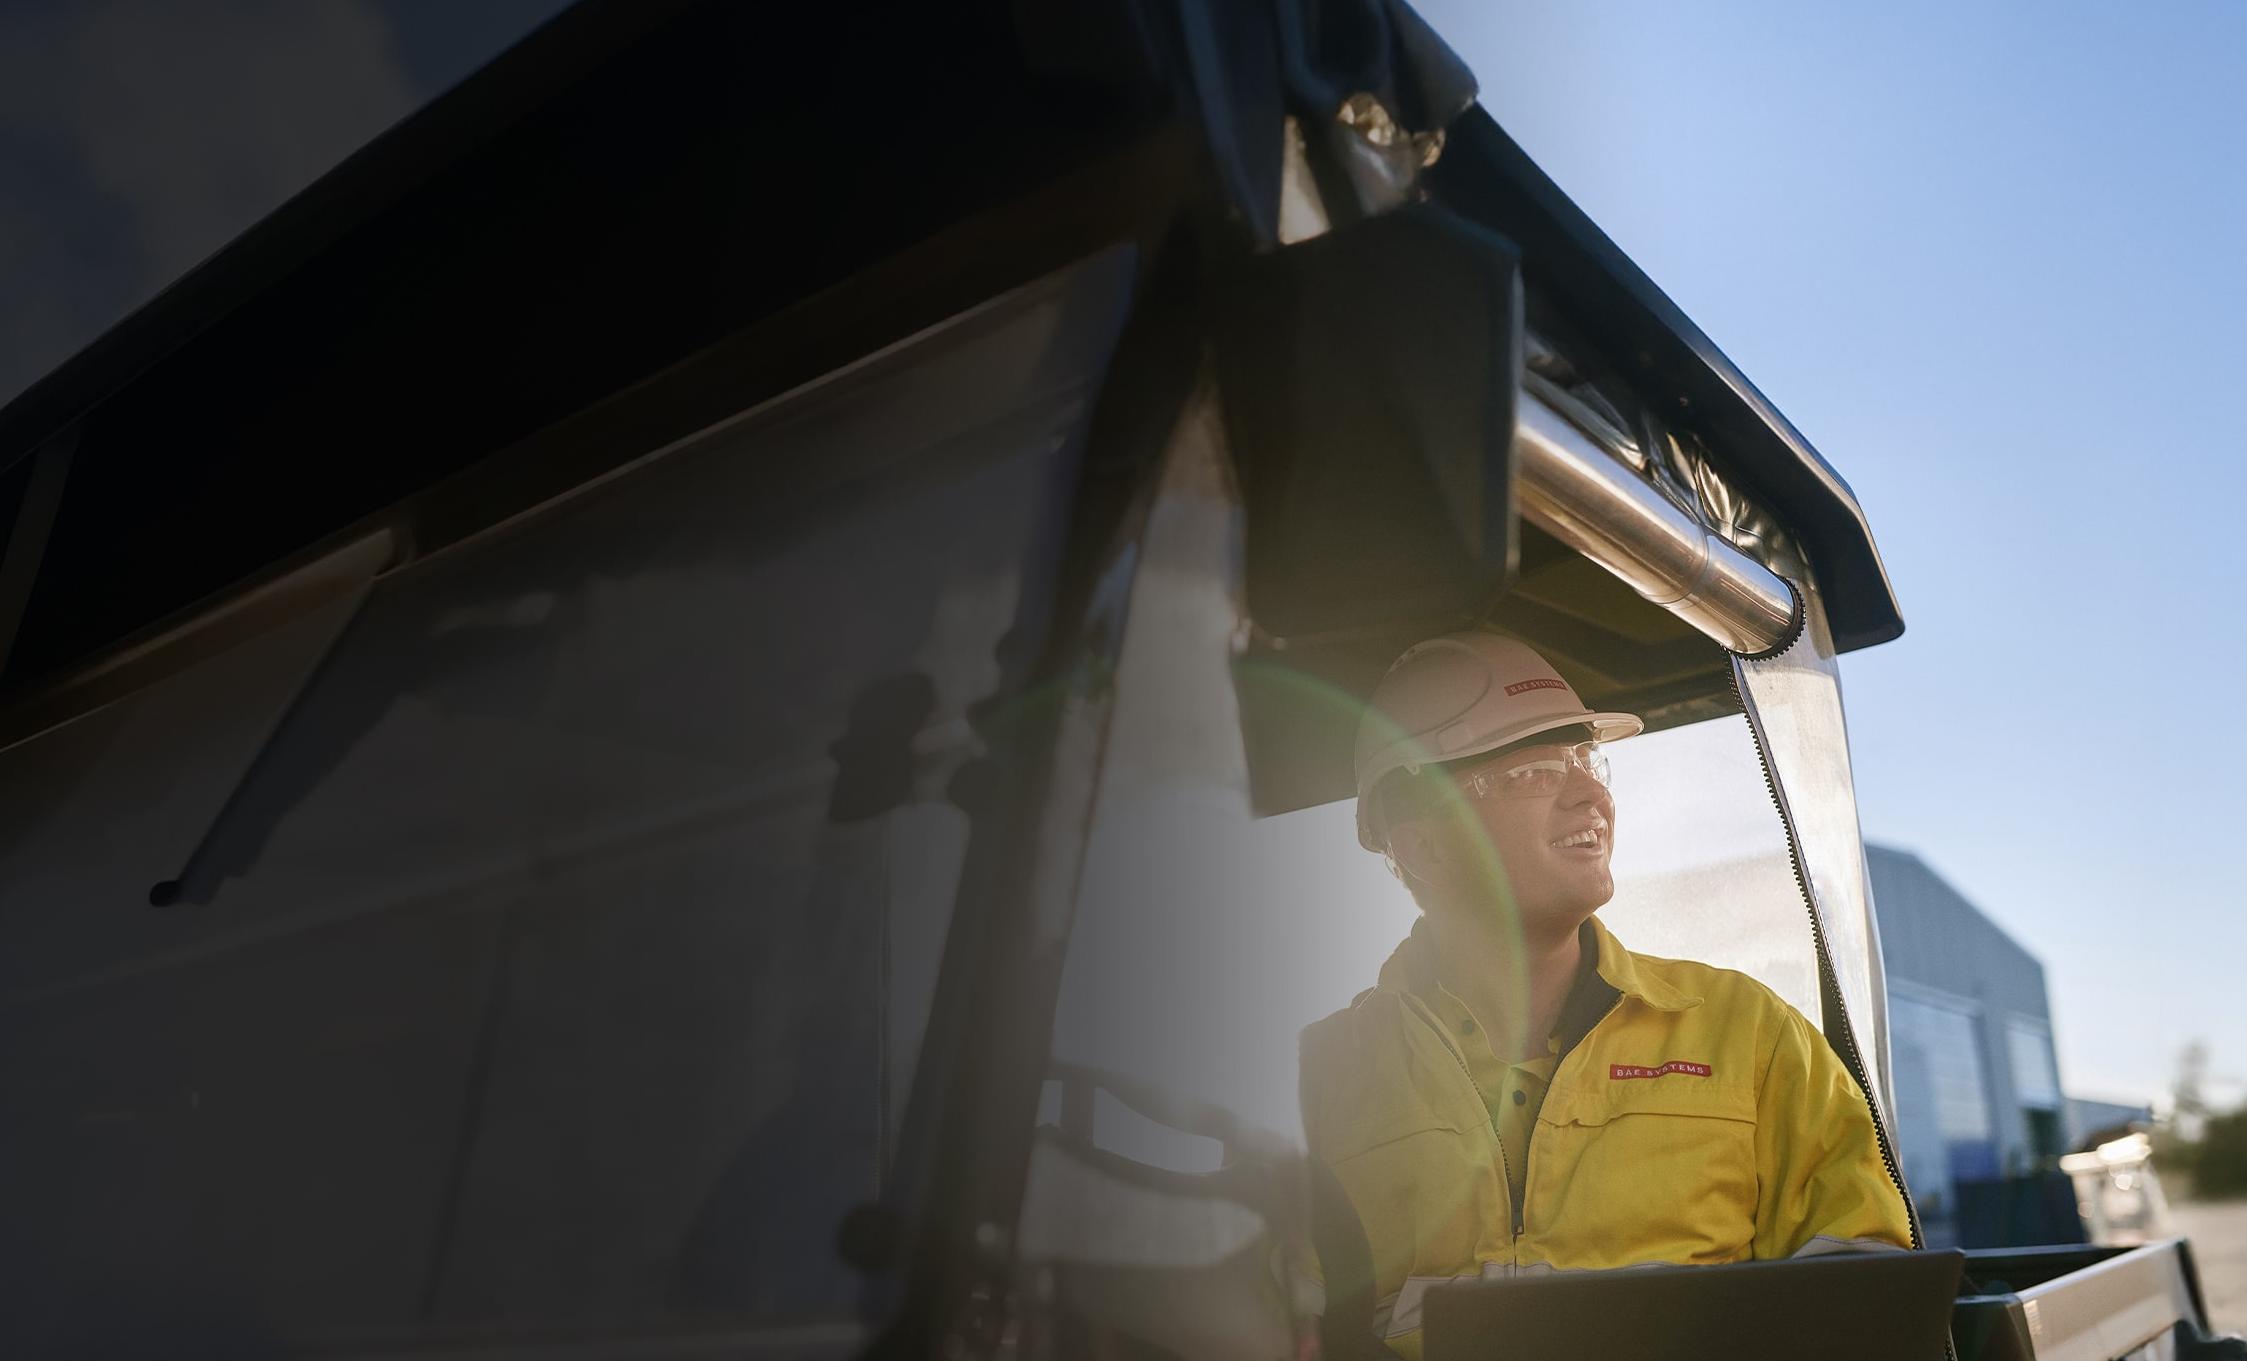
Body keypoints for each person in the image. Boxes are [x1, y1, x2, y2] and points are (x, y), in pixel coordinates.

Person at [1299, 631, 1911, 1358]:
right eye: (1535, 772)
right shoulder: (1319, 1076)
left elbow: (1866, 1304)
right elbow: (1268, 1322)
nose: (1592, 794)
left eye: (1588, 761)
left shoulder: (1748, 1031)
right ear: (1423, 845)